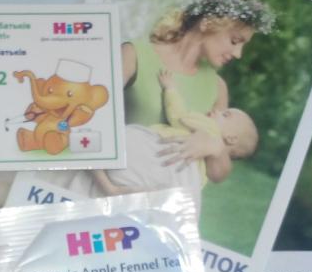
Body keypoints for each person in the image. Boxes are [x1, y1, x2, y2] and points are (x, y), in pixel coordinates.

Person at [117, 0, 273, 183]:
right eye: (235, 41)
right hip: (118, 180)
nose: (238, 54)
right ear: (207, 23)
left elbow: (218, 174)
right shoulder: (134, 54)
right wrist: (110, 188)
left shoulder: (217, 87)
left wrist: (216, 148)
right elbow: (91, 121)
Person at [93, 68, 259, 199]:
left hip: (151, 158)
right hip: (172, 183)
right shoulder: (204, 172)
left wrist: (170, 88)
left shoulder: (209, 128)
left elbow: (179, 116)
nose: (217, 111)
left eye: (225, 115)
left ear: (231, 138)